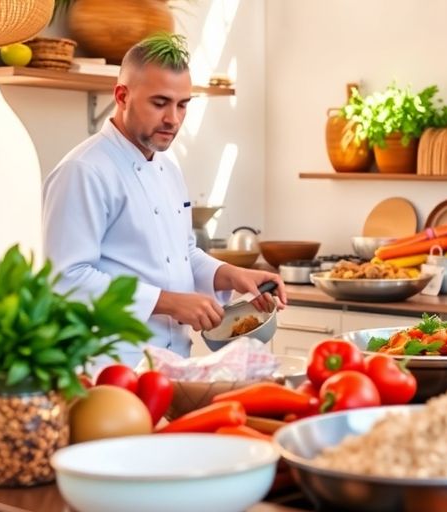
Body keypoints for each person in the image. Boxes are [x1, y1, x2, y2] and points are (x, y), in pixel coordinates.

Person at [42, 33, 285, 365]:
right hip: (109, 367)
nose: (173, 118)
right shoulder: (83, 170)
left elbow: (181, 254)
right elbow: (67, 278)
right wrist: (167, 302)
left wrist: (232, 274)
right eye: (160, 103)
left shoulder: (168, 168)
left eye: (182, 104)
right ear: (122, 95)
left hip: (173, 363)